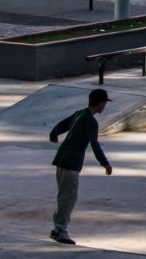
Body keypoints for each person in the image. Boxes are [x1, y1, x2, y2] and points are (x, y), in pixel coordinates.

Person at [47, 88, 112, 244]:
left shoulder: (79, 113)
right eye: (105, 103)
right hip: (71, 162)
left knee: (64, 195)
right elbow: (94, 144)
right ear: (101, 103)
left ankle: (57, 228)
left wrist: (53, 133)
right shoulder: (91, 121)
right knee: (68, 197)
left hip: (62, 158)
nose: (105, 107)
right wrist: (105, 163)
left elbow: (62, 124)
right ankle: (60, 231)